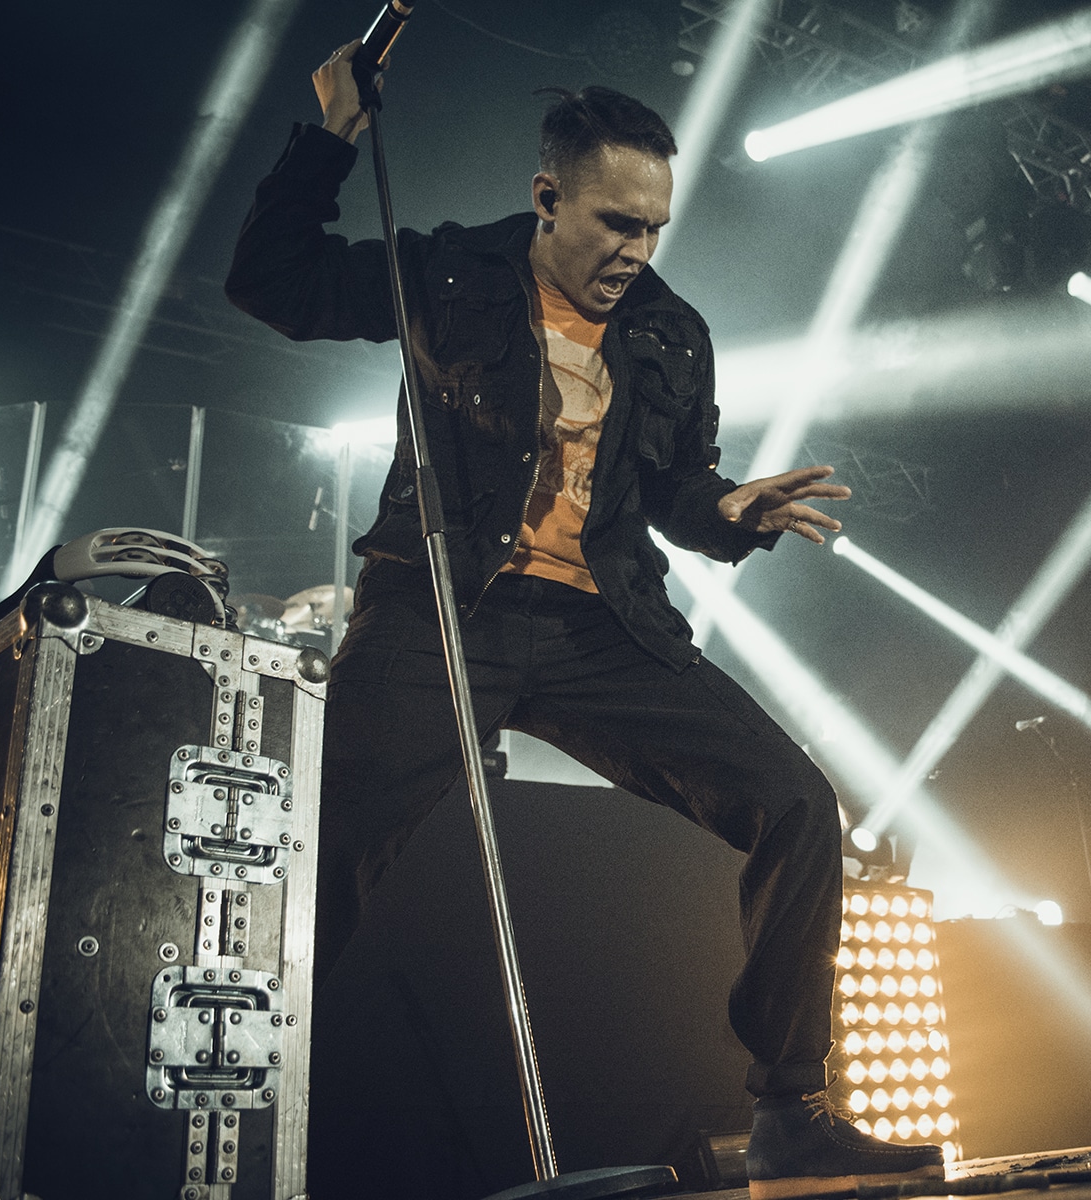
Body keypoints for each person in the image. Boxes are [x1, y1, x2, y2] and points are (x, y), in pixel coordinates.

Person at [225, 41, 944, 1197]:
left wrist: (728, 510)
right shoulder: (450, 272)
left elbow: (676, 492)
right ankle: (220, 1094)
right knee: (326, 845)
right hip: (444, 604)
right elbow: (273, 281)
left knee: (799, 804)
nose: (636, 250)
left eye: (655, 227)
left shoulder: (672, 330)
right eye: (616, 222)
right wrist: (333, 131)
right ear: (547, 197)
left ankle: (789, 1110)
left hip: (602, 625)